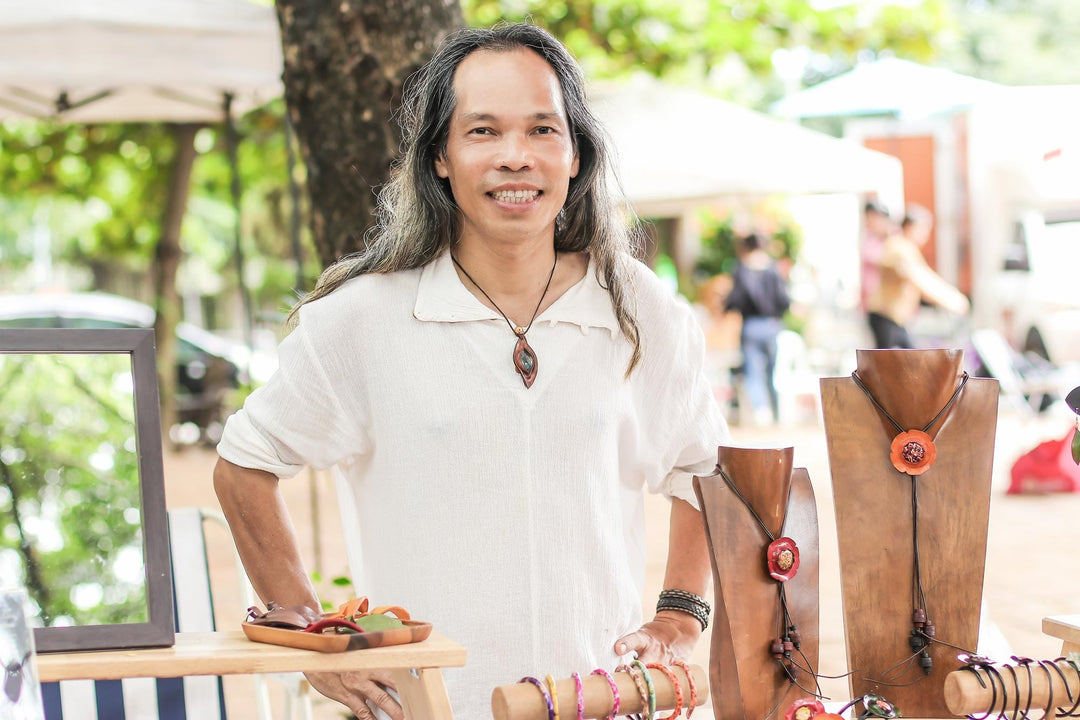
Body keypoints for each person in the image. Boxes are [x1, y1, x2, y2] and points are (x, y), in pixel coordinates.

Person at [213, 23, 728, 720]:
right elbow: (244, 464)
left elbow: (705, 470)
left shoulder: (641, 308)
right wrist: (306, 630)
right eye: (483, 131)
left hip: (596, 704)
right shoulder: (361, 318)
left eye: (543, 130)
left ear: (575, 154)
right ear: (441, 158)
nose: (516, 158)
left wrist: (680, 614)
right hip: (426, 708)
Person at [866, 204, 969, 348]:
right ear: (910, 227)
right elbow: (919, 278)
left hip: (896, 320)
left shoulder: (907, 248)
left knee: (908, 362)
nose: (926, 234)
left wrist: (952, 297)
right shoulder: (898, 247)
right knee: (899, 365)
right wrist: (952, 301)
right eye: (924, 229)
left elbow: (925, 275)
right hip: (886, 317)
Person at [723, 233, 790, 426]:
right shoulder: (773, 269)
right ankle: (776, 413)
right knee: (771, 372)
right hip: (771, 325)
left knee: (753, 372)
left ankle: (762, 410)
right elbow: (784, 301)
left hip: (751, 326)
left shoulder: (741, 269)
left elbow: (735, 300)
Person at [860, 199, 894, 314]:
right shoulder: (868, 240)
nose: (869, 222)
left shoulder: (894, 240)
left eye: (873, 218)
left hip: (890, 306)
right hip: (873, 304)